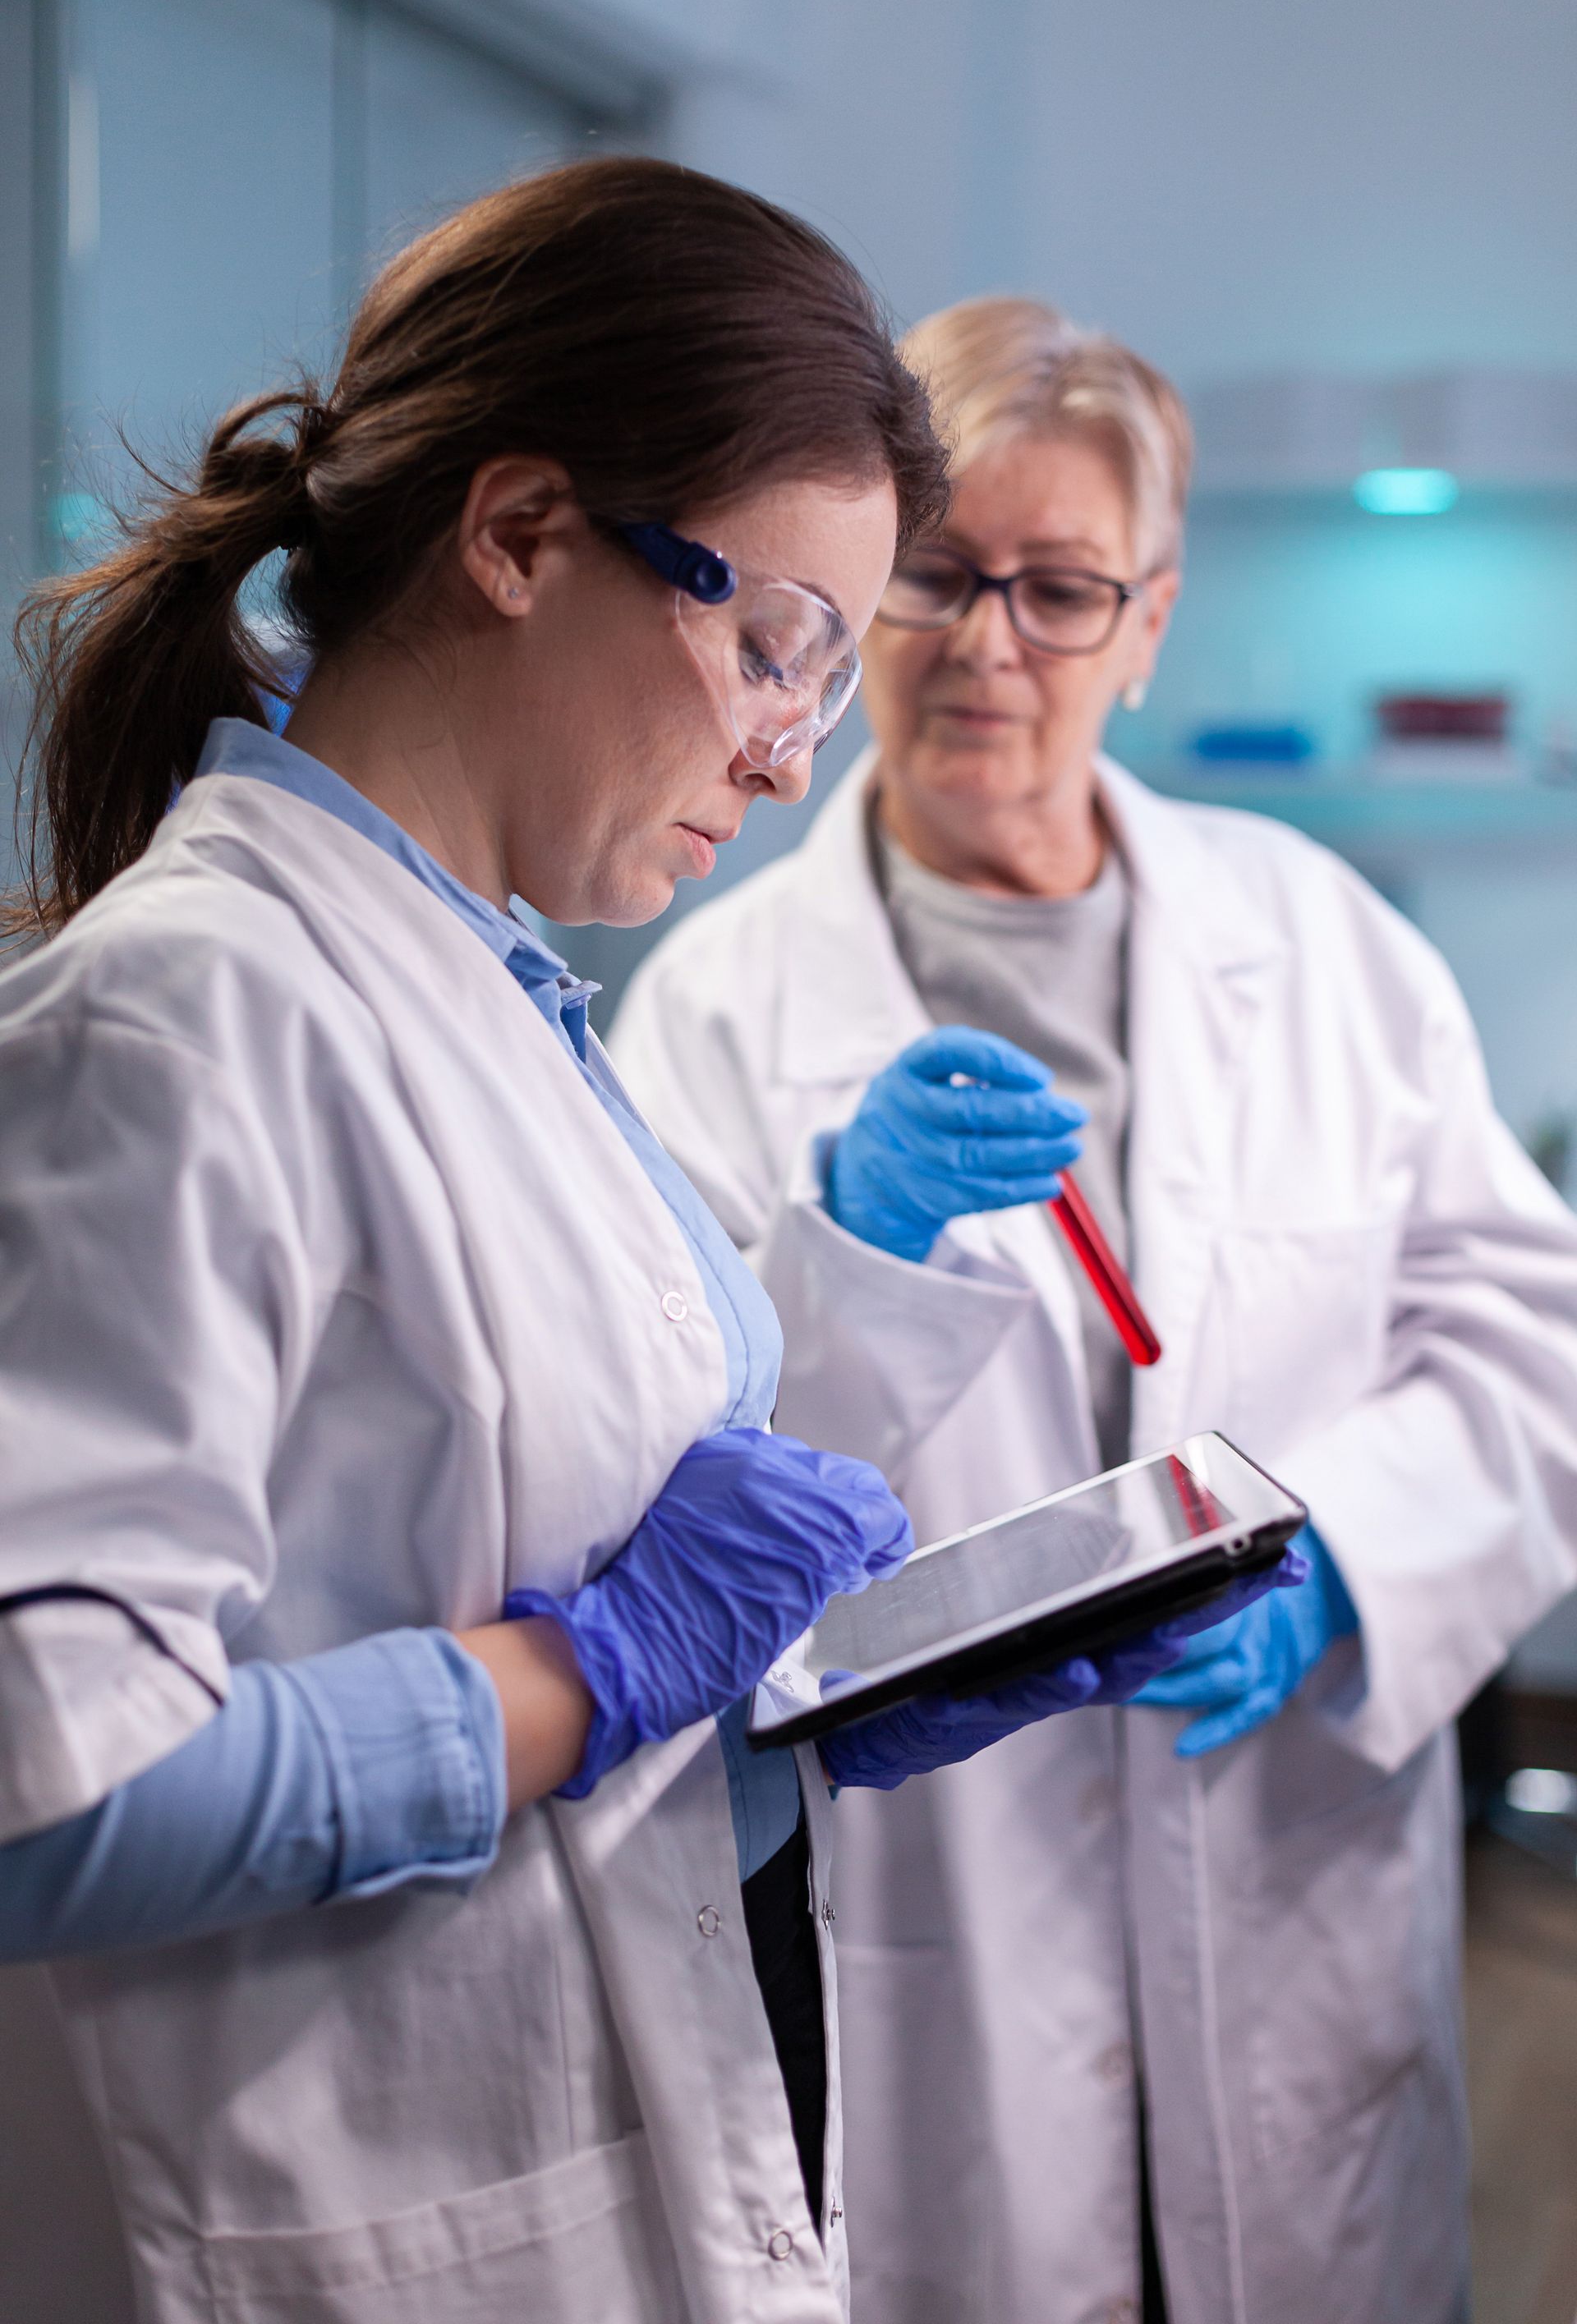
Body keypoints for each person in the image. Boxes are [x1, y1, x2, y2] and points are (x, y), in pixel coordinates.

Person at [0, 194, 1246, 2324]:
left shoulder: (491, 992)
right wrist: (593, 1677)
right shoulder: (190, 1015)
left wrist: (819, 1692)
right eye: (775, 641)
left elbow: (463, 1550)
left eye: (823, 679)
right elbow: (52, 1796)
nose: (789, 753)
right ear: (517, 535)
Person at [611, 294, 1577, 2324]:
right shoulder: (715, 998)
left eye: (1061, 591)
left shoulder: (1319, 945)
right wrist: (841, 1254)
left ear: (1148, 627)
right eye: (943, 576)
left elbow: (1521, 1344)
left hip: (1289, 1839)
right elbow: (642, 1476)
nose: (990, 646)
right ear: (866, 594)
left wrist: (1342, 1569)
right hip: (940, 1895)